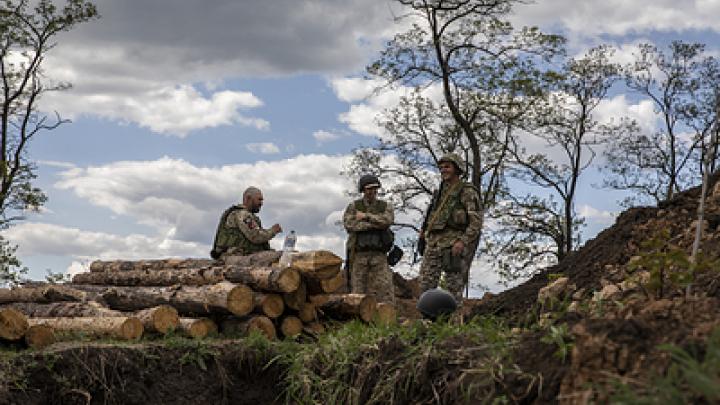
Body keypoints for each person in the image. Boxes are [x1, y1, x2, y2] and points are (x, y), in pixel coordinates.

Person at [417, 153, 482, 304]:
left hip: (453, 246)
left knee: (453, 288)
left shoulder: (466, 191)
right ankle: (428, 320)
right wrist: (423, 235)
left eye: (447, 167)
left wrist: (462, 241)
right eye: (441, 167)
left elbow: (476, 222)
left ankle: (454, 323)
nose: (443, 170)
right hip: (433, 243)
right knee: (425, 285)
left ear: (457, 169)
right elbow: (430, 216)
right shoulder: (439, 192)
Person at [343, 175, 395, 304]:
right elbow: (350, 225)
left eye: (374, 188)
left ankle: (388, 316)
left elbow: (387, 221)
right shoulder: (354, 206)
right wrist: (375, 224)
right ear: (363, 190)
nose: (372, 191)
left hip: (379, 253)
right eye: (369, 188)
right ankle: (356, 317)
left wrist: (366, 217)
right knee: (357, 288)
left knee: (385, 287)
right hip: (359, 253)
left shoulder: (385, 206)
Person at [210, 186, 282, 260]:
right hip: (236, 256)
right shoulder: (242, 214)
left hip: (240, 256)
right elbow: (256, 236)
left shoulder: (243, 214)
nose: (261, 203)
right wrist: (273, 231)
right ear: (248, 198)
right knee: (279, 256)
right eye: (259, 199)